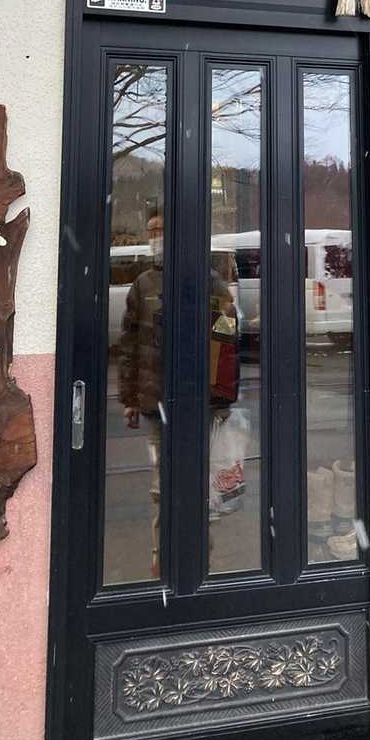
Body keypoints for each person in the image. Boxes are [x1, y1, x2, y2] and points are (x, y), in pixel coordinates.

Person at [117, 208, 243, 578]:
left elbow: (227, 339)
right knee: (162, 487)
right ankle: (163, 559)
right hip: (157, 402)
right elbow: (129, 345)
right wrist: (129, 399)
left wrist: (222, 397)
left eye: (160, 230)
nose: (155, 236)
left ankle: (201, 558)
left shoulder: (210, 282)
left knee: (202, 485)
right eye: (151, 230)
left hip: (202, 404)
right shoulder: (143, 285)